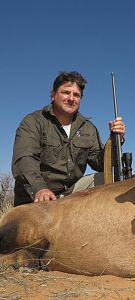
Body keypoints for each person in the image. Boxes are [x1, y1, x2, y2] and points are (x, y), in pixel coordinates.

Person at [12, 71, 125, 207]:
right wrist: (40, 188)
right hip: (37, 195)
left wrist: (115, 138)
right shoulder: (33, 121)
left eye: (76, 95)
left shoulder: (87, 127)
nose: (71, 98)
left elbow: (100, 164)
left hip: (71, 194)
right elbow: (25, 159)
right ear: (53, 95)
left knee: (114, 179)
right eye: (66, 92)